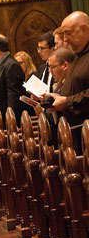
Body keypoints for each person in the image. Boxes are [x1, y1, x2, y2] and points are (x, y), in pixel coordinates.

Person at [47, 11, 89, 153]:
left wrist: (67, 101)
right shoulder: (78, 56)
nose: (65, 39)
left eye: (69, 33)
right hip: (76, 137)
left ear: (84, 28)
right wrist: (59, 97)